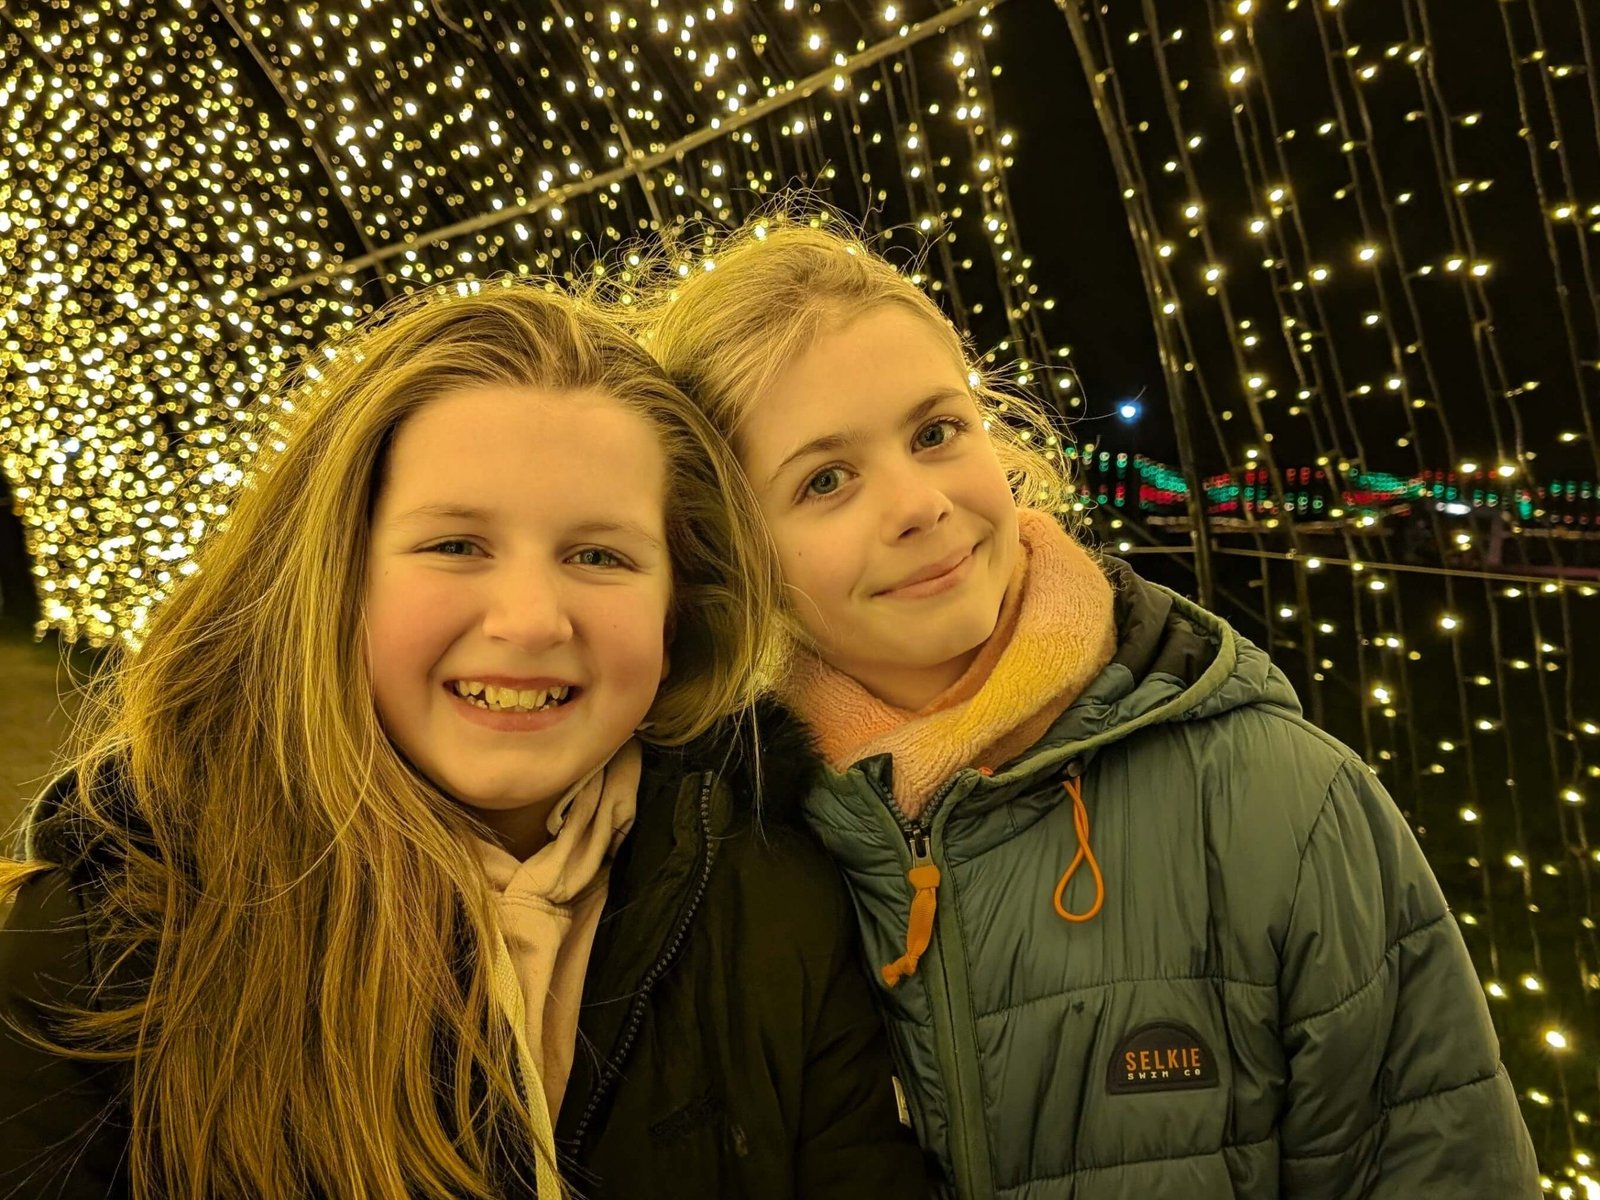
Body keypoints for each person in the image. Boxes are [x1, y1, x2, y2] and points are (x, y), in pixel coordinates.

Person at [621, 211, 1542, 1198]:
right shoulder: (713, 850)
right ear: (729, 550)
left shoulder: (1281, 807)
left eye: (936, 432)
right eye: (826, 479)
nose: (919, 505)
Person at [0, 280, 927, 1200]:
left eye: (599, 556)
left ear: (676, 613)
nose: (529, 621)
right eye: (456, 546)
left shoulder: (771, 902)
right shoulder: (100, 950)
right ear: (338, 578)